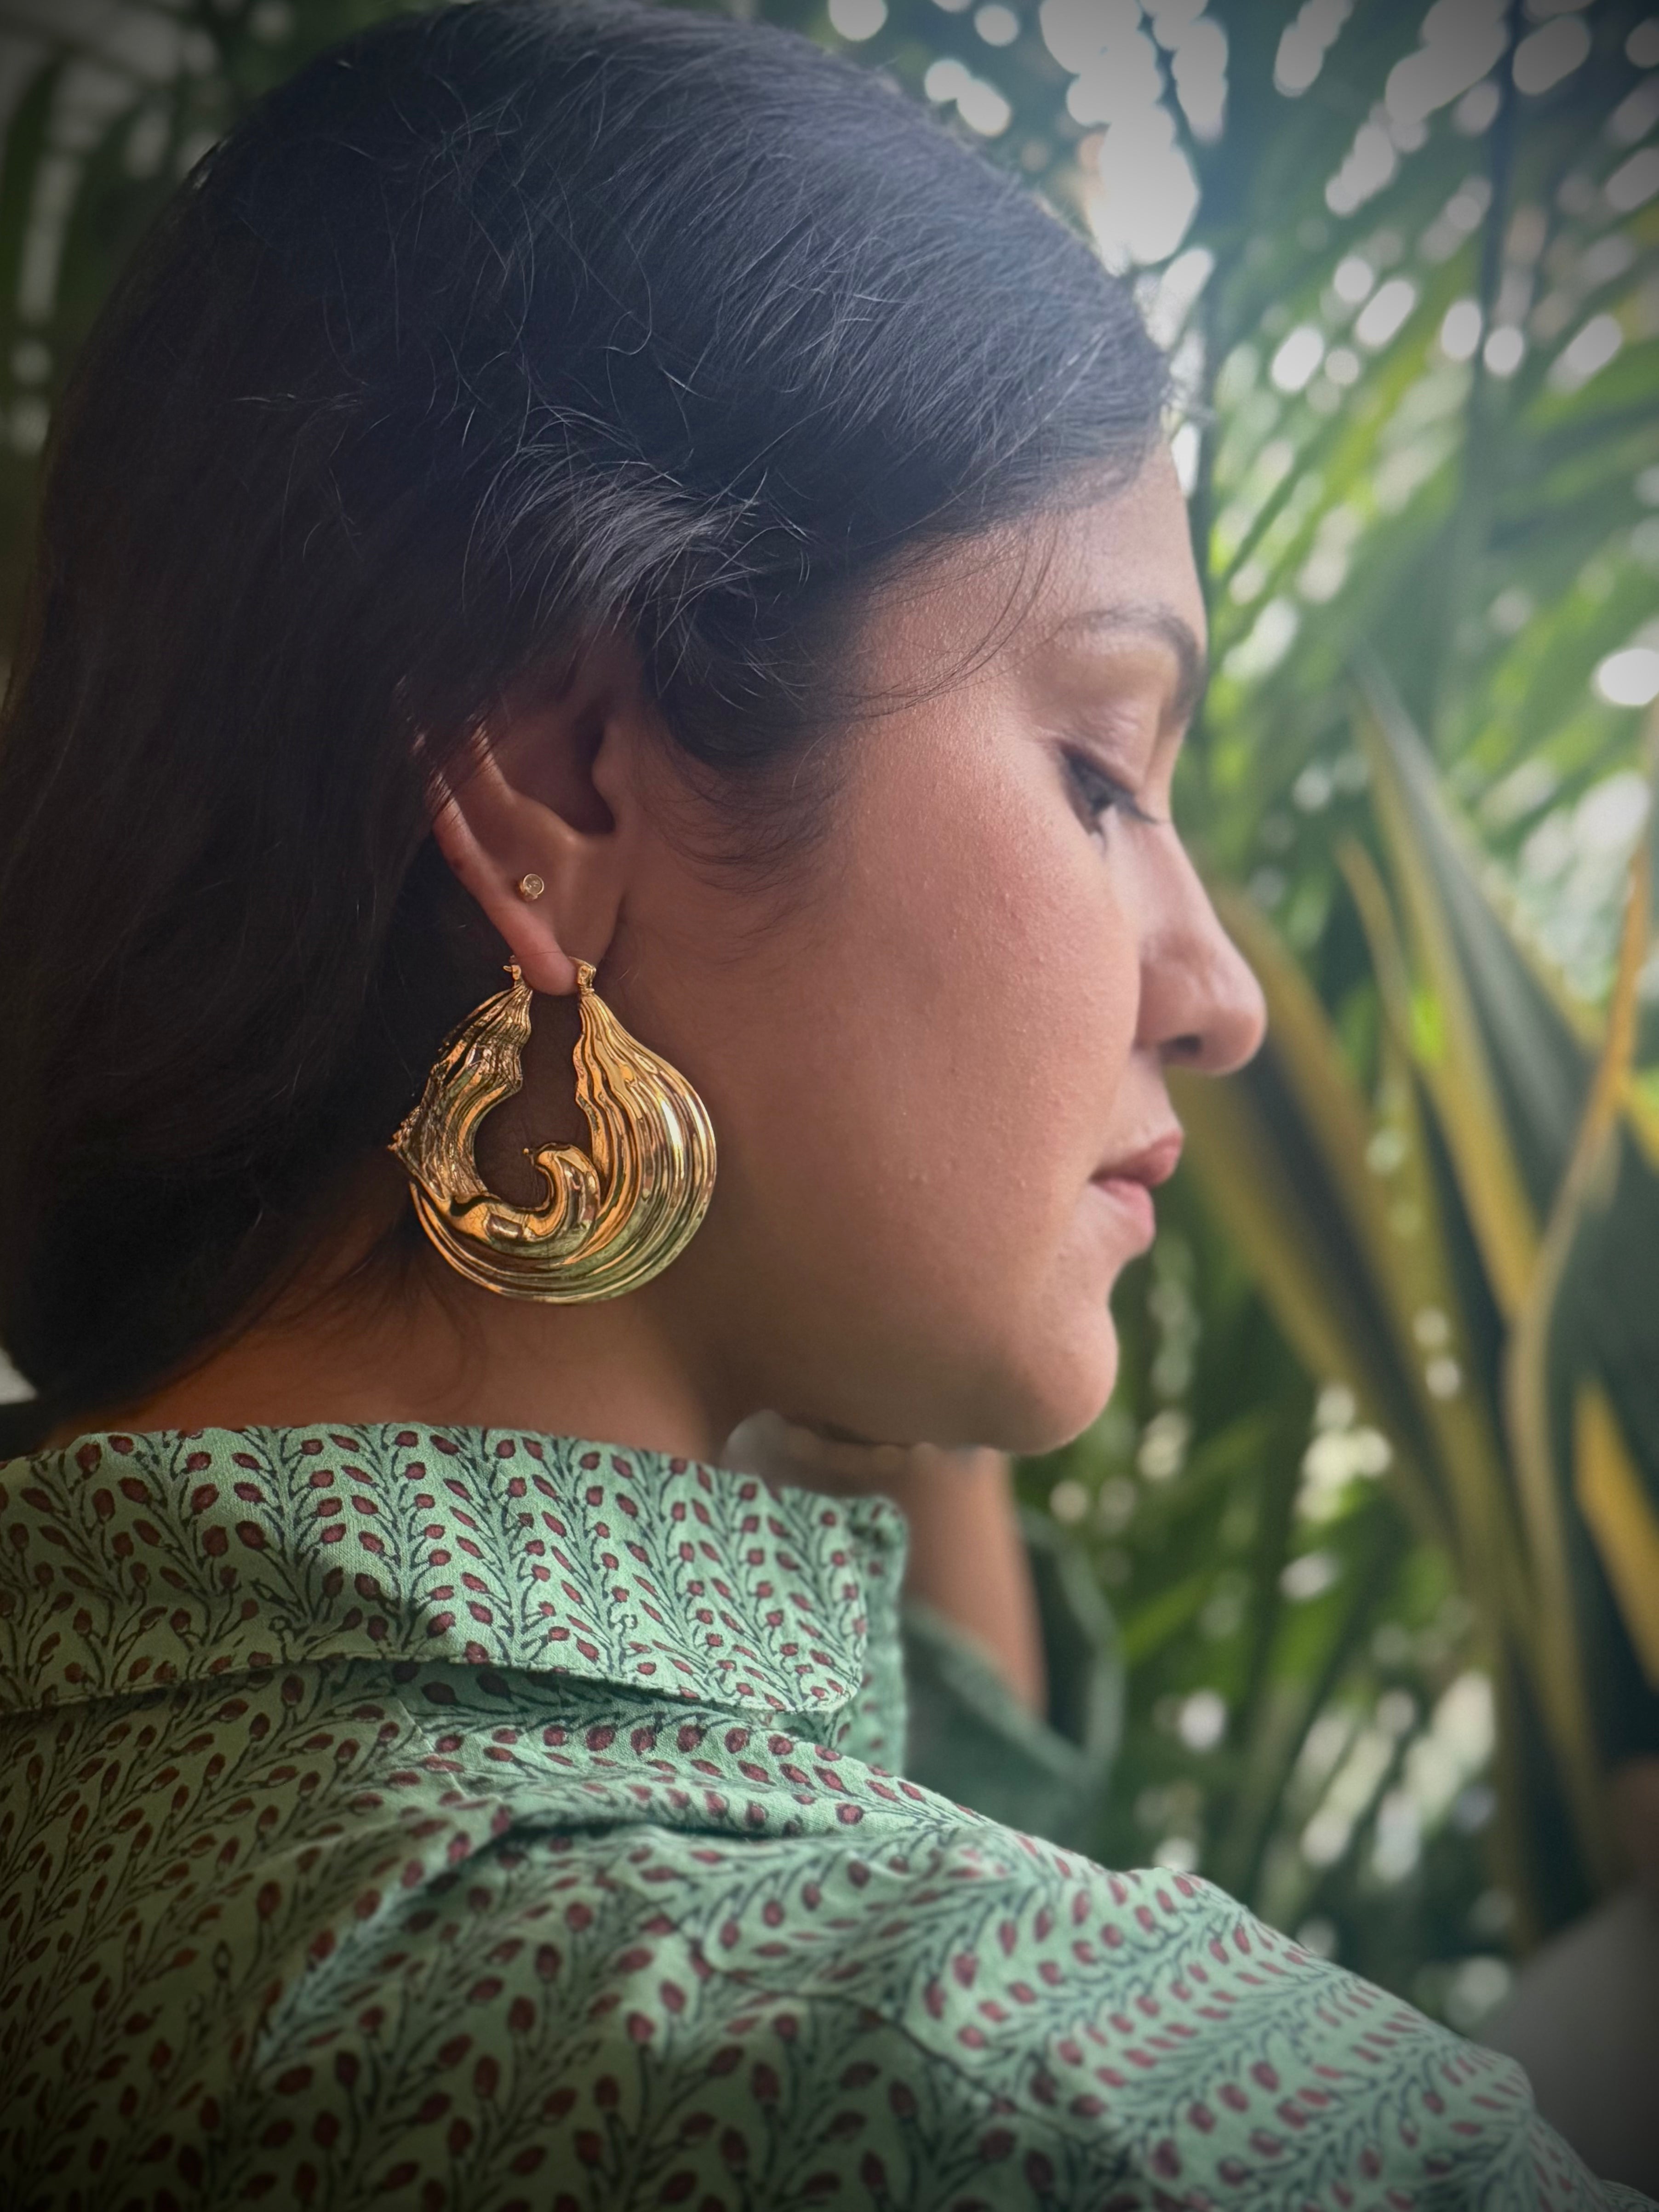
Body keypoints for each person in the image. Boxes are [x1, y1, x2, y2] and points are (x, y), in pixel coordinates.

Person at [0, 3, 1645, 2204]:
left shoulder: (125, 1765)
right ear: (564, 773)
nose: (1220, 994)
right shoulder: (1088, 2122)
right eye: (1096, 770)